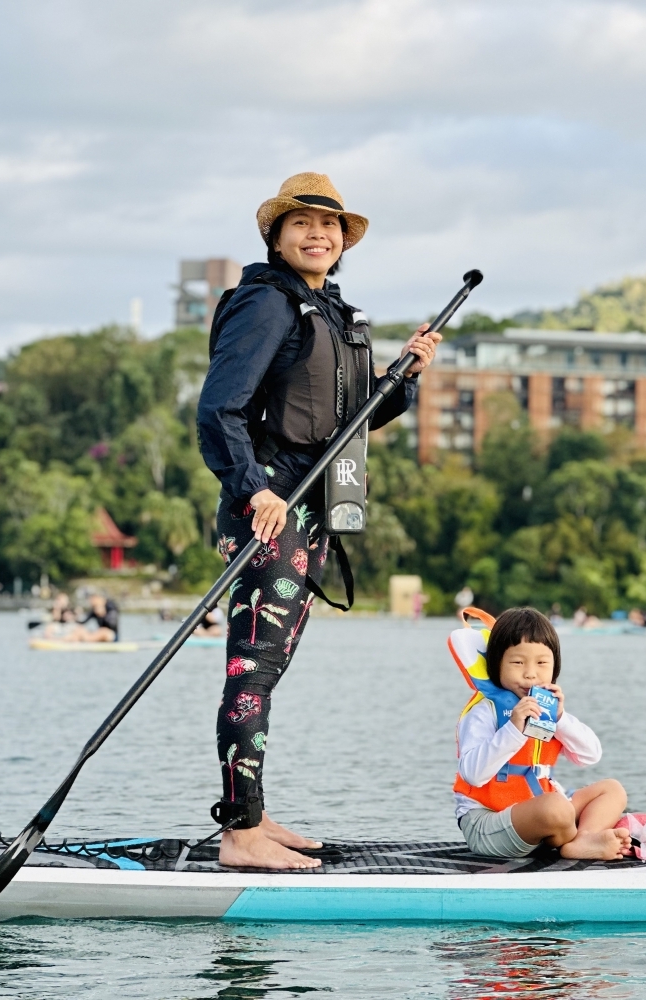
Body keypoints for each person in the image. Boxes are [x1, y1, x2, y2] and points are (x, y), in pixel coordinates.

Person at [196, 172, 442, 870]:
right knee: (251, 664)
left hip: (310, 506)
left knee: (266, 668)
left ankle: (254, 815)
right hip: (270, 505)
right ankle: (239, 835)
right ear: (275, 236)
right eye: (301, 224)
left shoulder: (326, 311)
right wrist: (252, 493)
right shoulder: (267, 305)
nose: (318, 235)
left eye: (330, 227)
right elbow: (220, 409)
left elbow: (349, 421)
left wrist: (405, 375)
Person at [453, 607, 630, 860]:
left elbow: (590, 755)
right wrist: (514, 728)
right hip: (488, 824)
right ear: (496, 665)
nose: (530, 673)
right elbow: (472, 774)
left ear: (554, 667)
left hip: (545, 813)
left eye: (542, 663)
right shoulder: (485, 711)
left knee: (612, 790)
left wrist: (560, 719)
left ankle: (583, 840)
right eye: (517, 662)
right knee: (556, 808)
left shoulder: (549, 709)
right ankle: (574, 836)